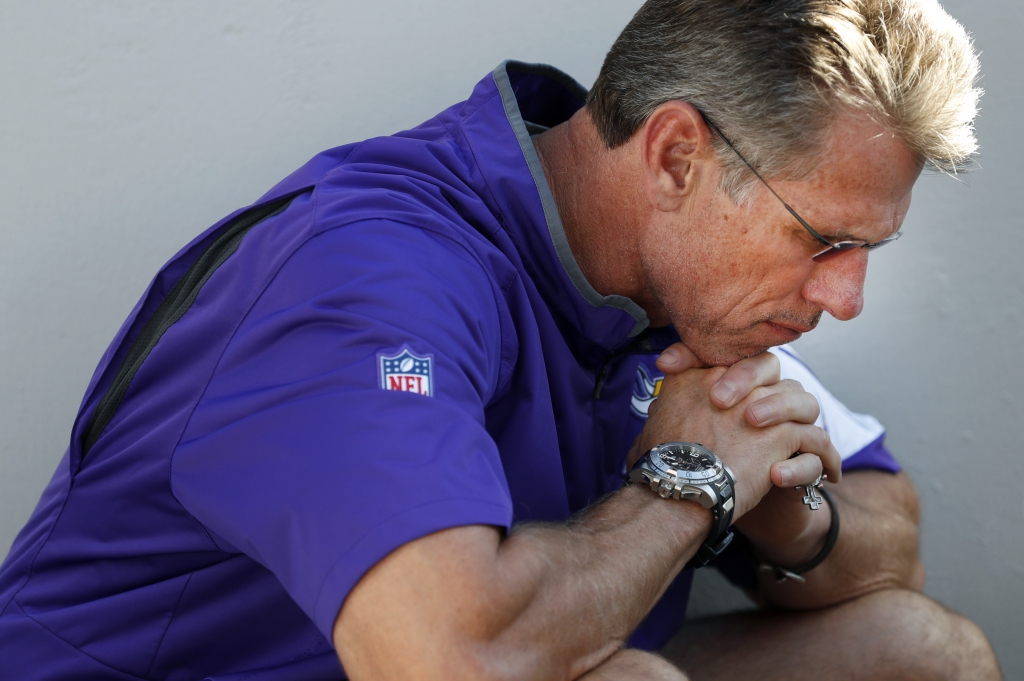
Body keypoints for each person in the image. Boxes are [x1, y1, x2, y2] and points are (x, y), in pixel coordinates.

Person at [0, 0, 1001, 679]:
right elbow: (447, 657)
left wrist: (777, 508)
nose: (847, 295)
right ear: (678, 156)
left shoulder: (695, 287)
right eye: (823, 240)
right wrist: (689, 487)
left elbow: (890, 538)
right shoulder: (365, 276)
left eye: (865, 249)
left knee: (913, 651)